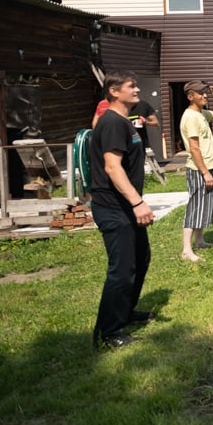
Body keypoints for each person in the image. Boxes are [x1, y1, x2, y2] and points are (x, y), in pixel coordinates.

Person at [89, 70, 156, 349]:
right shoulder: (113, 123)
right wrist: (137, 202)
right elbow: (112, 167)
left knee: (140, 259)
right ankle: (109, 331)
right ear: (114, 91)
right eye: (132, 86)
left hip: (124, 207)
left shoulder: (123, 122)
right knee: (122, 269)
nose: (137, 90)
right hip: (114, 208)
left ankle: (125, 313)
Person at [180, 80, 213, 261]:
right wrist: (205, 172)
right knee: (195, 206)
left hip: (208, 167)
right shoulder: (190, 117)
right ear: (190, 96)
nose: (204, 95)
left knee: (204, 206)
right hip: (199, 169)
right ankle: (186, 249)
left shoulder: (201, 114)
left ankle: (199, 241)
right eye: (200, 93)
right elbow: (194, 148)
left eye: (205, 92)